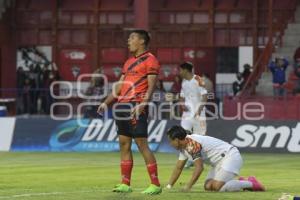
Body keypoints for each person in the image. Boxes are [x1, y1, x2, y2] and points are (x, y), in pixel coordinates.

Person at [97, 29, 162, 195]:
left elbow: (152, 85)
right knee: (124, 144)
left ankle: (155, 184)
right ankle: (125, 183)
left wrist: (143, 104)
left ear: (142, 41)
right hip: (122, 106)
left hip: (136, 105)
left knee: (141, 144)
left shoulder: (151, 60)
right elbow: (119, 86)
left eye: (132, 38)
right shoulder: (128, 62)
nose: (128, 41)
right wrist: (106, 102)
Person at [165, 125, 266, 192]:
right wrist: (169, 186)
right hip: (217, 163)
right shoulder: (183, 148)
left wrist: (188, 186)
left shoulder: (192, 144)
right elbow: (178, 168)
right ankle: (243, 181)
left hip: (230, 156)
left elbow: (199, 168)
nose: (170, 144)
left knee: (217, 187)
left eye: (170, 141)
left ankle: (251, 183)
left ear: (177, 140)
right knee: (208, 187)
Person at [178, 62, 208, 168]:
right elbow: (181, 96)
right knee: (183, 135)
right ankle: (189, 159)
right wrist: (182, 105)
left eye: (180, 70)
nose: (179, 72)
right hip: (187, 114)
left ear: (186, 70)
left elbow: (205, 96)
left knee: (200, 137)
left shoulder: (198, 79)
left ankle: (201, 159)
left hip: (198, 113)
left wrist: (199, 109)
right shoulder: (184, 82)